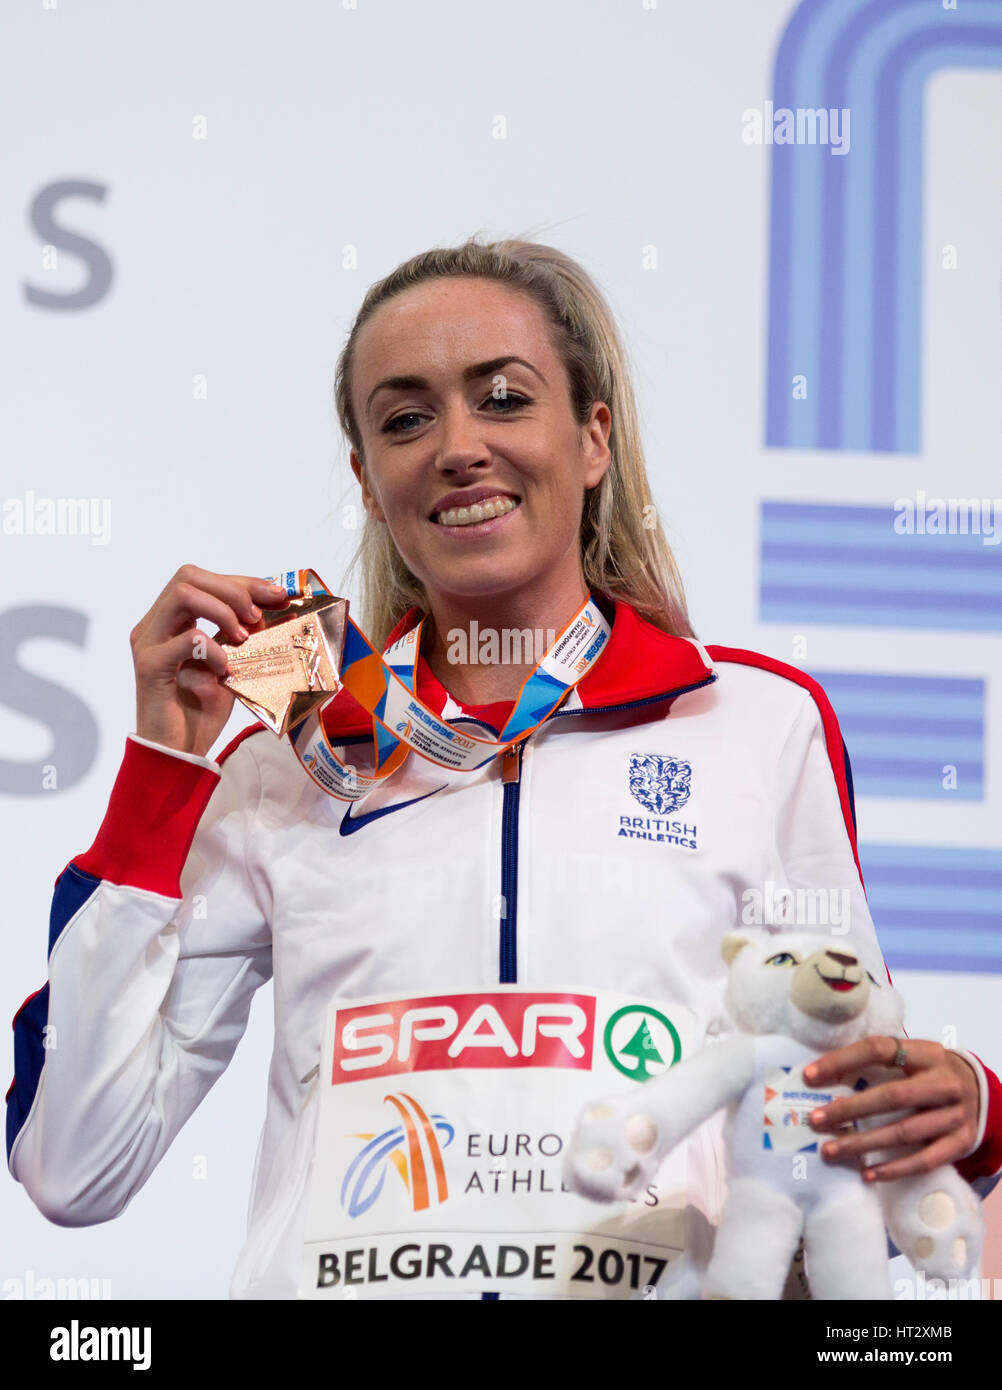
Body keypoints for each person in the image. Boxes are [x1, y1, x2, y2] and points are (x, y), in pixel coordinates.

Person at [6, 237, 1000, 1301]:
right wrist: (165, 770)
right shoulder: (288, 768)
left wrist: (973, 1115)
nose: (458, 447)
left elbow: (835, 1102)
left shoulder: (754, 722)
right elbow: (76, 1166)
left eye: (504, 399)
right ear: (368, 481)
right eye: (405, 419)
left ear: (592, 440)